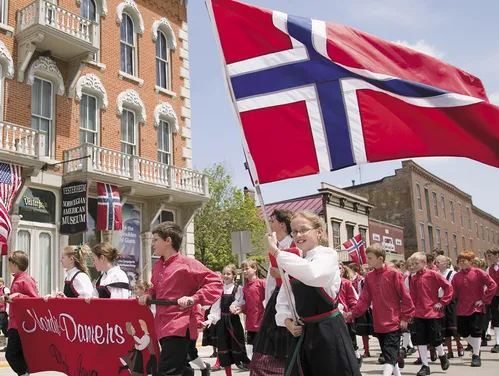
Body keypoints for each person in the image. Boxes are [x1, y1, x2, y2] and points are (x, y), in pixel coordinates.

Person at [270, 210, 361, 376]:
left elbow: (313, 275)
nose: (299, 235)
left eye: (304, 229)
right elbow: (284, 300)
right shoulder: (295, 262)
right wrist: (288, 322)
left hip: (329, 332)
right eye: (295, 231)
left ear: (319, 231)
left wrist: (277, 253)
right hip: (305, 333)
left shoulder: (327, 255)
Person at [139, 221, 223, 376]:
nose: (153, 244)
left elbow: (216, 282)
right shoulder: (158, 265)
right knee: (180, 368)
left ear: (168, 240)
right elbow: (155, 287)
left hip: (179, 325)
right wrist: (149, 294)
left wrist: (194, 298)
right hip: (161, 325)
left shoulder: (188, 264)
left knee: (165, 371)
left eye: (156, 240)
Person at [347, 243, 415, 376]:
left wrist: (405, 317)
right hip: (378, 322)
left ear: (380, 258)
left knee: (389, 356)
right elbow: (364, 299)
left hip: (393, 322)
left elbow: (406, 297)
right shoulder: (369, 277)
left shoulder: (394, 274)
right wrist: (353, 313)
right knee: (389, 355)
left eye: (370, 257)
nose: (367, 260)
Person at [250, 208, 294, 376]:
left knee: (286, 350)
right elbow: (269, 282)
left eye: (272, 221)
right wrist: (268, 303)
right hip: (275, 302)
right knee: (266, 352)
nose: (270, 225)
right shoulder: (275, 246)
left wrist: (282, 274)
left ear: (282, 224)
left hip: (290, 302)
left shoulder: (292, 246)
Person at [407, 252, 452, 376]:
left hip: (432, 312)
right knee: (420, 339)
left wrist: (442, 302)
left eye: (417, 263)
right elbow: (412, 296)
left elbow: (448, 287)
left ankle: (442, 356)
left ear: (424, 263)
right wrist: (411, 312)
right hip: (419, 313)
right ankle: (425, 365)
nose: (415, 266)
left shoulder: (433, 275)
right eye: (413, 264)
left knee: (435, 338)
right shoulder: (414, 278)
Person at [451, 251, 497, 367]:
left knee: (476, 331)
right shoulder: (456, 276)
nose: (461, 263)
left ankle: (476, 355)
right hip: (462, 307)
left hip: (475, 307)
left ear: (471, 262)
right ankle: (477, 347)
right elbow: (453, 291)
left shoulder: (479, 273)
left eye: (464, 261)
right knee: (462, 331)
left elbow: (493, 285)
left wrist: (484, 300)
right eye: (460, 261)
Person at [203, 264, 250, 375]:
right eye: (224, 274)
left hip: (233, 322)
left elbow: (240, 301)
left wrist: (235, 306)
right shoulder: (219, 289)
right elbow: (215, 308)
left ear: (234, 275)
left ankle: (252, 368)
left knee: (238, 348)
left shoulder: (238, 289)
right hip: (222, 322)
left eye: (228, 274)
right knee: (224, 350)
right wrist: (210, 320)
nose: (225, 276)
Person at [4, 251, 38, 376]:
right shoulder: (18, 278)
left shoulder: (26, 279)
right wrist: (7, 297)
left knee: (11, 354)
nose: (8, 266)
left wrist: (18, 295)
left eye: (10, 263)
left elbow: (35, 300)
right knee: (18, 354)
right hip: (14, 322)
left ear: (15, 264)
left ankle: (24, 373)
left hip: (21, 324)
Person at [231, 259, 265, 360]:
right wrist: (240, 309)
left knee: (261, 351)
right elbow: (246, 304)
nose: (244, 271)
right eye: (243, 269)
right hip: (250, 324)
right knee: (250, 351)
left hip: (262, 323)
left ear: (254, 269)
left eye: (247, 269)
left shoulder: (262, 283)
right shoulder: (245, 287)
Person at [435, 255, 464, 358]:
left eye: (439, 262)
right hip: (440, 301)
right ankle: (450, 350)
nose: (437, 264)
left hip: (451, 302)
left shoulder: (452, 274)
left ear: (445, 263)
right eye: (436, 262)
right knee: (444, 327)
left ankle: (459, 346)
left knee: (453, 325)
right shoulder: (436, 274)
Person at [338, 263, 361, 365]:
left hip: (346, 318)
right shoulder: (325, 283)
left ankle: (356, 357)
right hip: (334, 319)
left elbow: (353, 299)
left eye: (339, 268)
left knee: (351, 340)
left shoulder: (346, 283)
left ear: (342, 271)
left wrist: (350, 312)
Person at [202, 272, 222, 358]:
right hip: (209, 309)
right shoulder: (210, 287)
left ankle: (220, 351)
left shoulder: (223, 288)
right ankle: (214, 351)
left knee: (219, 332)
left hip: (219, 311)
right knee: (211, 331)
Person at [485, 248, 499, 353]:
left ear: (496, 255)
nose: (488, 258)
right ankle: (497, 343)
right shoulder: (489, 269)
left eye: (490, 255)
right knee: (496, 319)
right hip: (494, 297)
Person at [0, 278, 10, 351]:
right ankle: (8, 345)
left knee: (4, 327)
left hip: (3, 311)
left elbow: (8, 299)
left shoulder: (5, 289)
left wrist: (8, 311)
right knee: (5, 328)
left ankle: (8, 345)